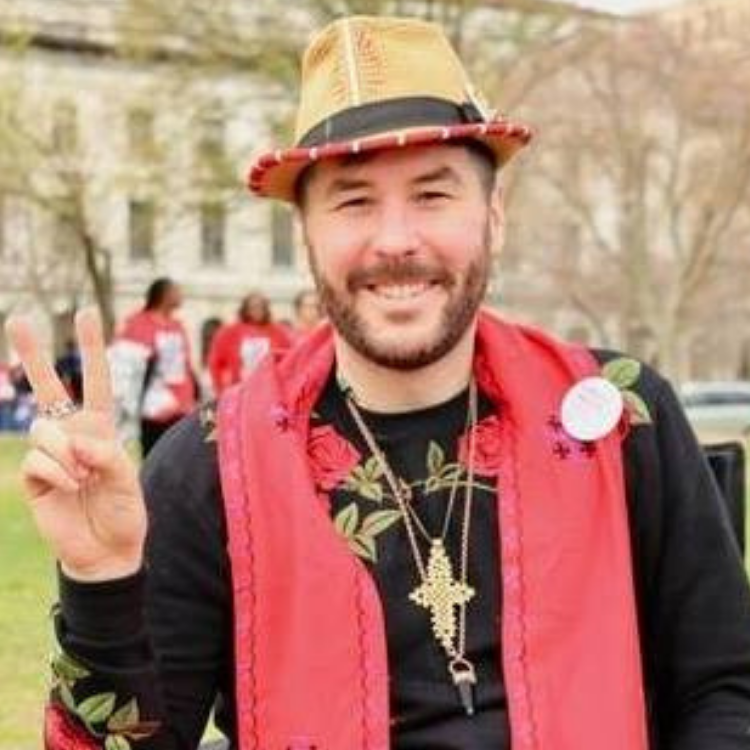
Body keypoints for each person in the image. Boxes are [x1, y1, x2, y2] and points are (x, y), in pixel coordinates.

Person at [6, 15, 750, 750]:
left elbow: (725, 690)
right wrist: (100, 583)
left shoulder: (624, 416)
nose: (395, 240)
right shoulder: (207, 466)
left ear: (494, 216)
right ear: (307, 235)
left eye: (433, 195)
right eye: (354, 201)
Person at [109, 277, 197, 457]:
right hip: (151, 404)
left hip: (180, 403)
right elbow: (125, 358)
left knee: (178, 455)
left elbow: (185, 363)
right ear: (163, 294)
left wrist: (194, 390)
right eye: (176, 291)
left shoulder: (178, 325)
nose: (181, 295)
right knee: (153, 454)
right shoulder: (137, 322)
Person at [207, 292, 292, 395]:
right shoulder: (229, 332)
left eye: (261, 307)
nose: (257, 310)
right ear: (245, 309)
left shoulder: (279, 333)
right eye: (253, 307)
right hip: (238, 390)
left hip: (268, 391)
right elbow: (215, 363)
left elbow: (288, 360)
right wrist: (220, 389)